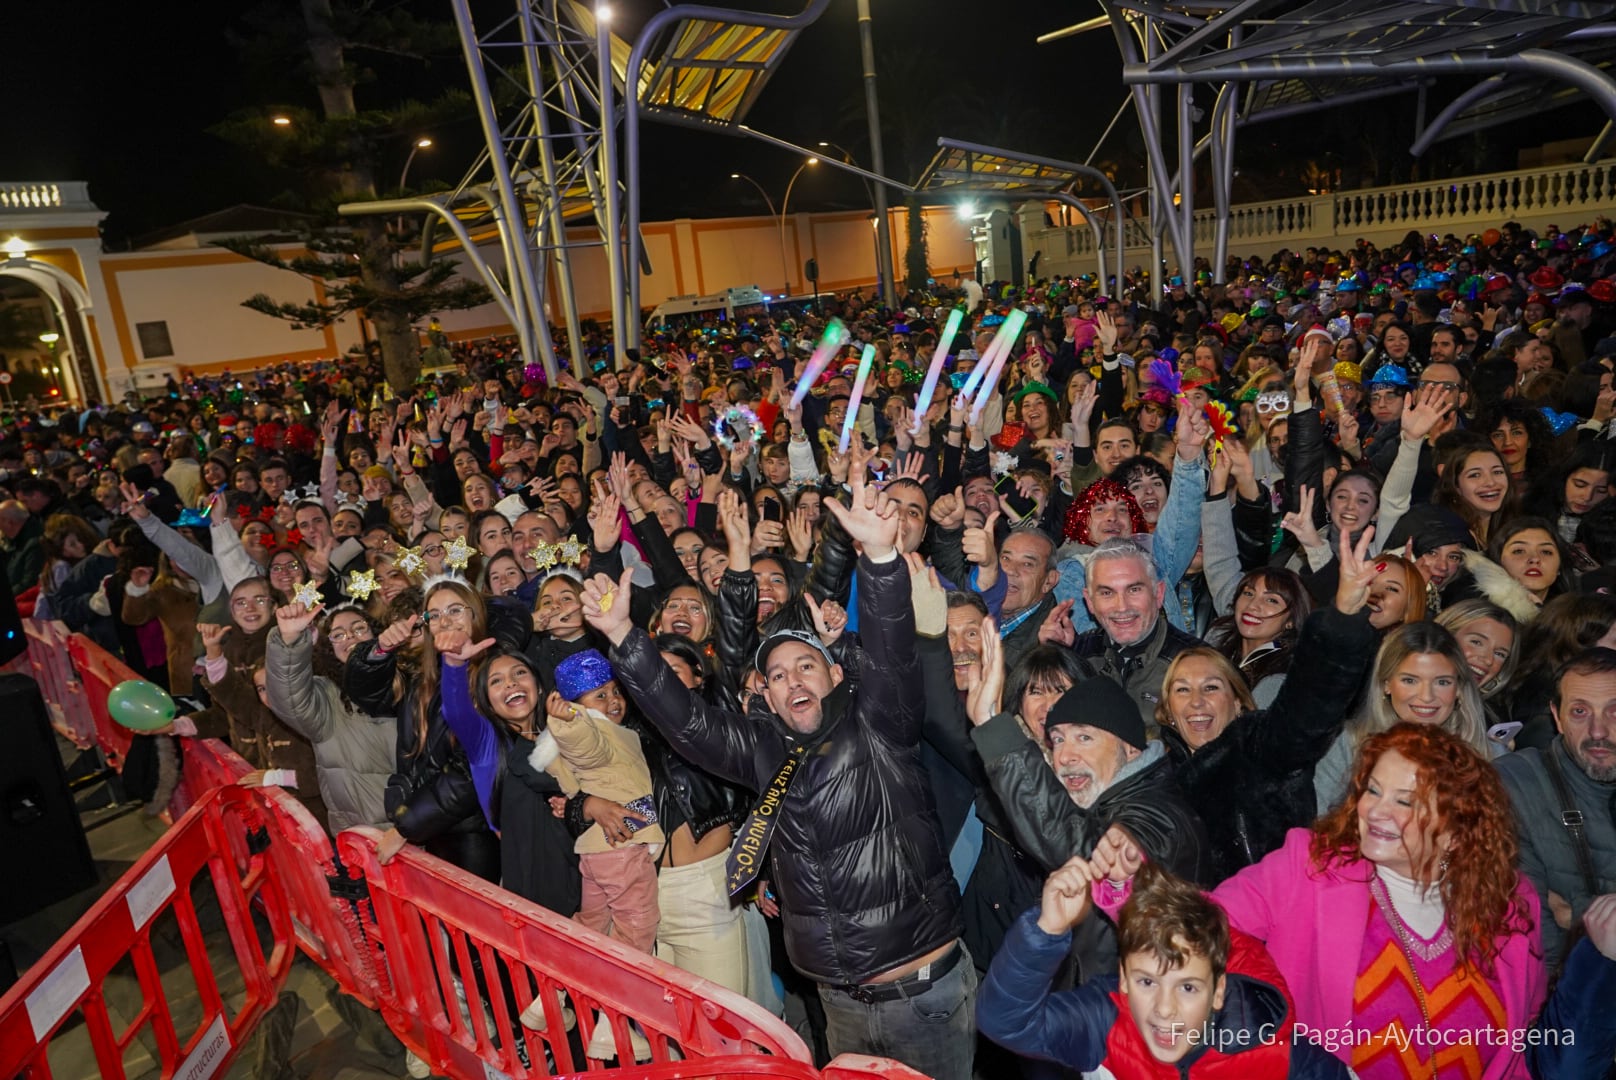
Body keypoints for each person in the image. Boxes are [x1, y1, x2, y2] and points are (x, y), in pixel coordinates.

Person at [585, 466, 976, 1080]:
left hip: (918, 995)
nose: (792, 679)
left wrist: (878, 557)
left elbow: (894, 650)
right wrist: (623, 636)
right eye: (777, 675)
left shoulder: (881, 723)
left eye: (806, 666)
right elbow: (687, 723)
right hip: (838, 1002)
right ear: (763, 696)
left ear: (837, 675)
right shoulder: (760, 748)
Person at [1215, 724, 1546, 1079]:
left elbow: (1526, 1025)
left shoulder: (1508, 905)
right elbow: (1199, 929)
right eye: (1373, 790)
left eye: (1404, 801)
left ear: (1456, 831)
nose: (1374, 811)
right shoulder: (1307, 870)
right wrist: (1285, 1045)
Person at [977, 859, 1350, 1079]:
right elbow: (1005, 1022)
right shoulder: (1105, 1020)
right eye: (1146, 982)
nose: (1164, 1008)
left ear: (1219, 990)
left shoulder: (1271, 1043)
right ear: (1123, 979)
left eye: (1187, 987)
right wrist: (1046, 930)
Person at [1157, 527, 1382, 881]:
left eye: (1211, 687)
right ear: (1168, 710)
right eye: (1182, 690)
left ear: (1238, 702)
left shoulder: (1259, 752)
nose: (1196, 702)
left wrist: (1342, 620)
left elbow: (1308, 709)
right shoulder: (1154, 775)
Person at [1496, 647, 1616, 968]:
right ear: (1556, 717)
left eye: (1614, 711)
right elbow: (1532, 941)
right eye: (1579, 712)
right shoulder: (1515, 784)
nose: (1598, 731)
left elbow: (1558, 915)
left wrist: (1576, 912)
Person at [1045, 538, 1202, 733]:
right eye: (1107, 593)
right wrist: (1053, 658)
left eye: (1134, 590)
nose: (1122, 607)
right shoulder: (1078, 654)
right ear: (1089, 602)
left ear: (1159, 594)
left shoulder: (1198, 664)